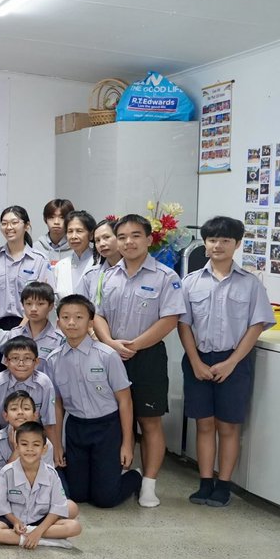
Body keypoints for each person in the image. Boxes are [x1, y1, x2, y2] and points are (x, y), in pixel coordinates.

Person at [178, 215, 275, 507]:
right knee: (204, 424)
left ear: (237, 244)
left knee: (228, 426)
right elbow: (183, 325)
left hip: (234, 361)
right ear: (205, 243)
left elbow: (256, 326)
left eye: (225, 240)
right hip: (198, 359)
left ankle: (224, 484)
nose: (217, 245)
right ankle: (205, 481)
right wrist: (195, 361)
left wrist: (231, 362)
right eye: (212, 240)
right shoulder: (190, 282)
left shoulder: (250, 284)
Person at [92, 214, 187, 507]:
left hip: (147, 357)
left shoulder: (165, 276)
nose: (128, 242)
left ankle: (149, 484)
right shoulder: (107, 275)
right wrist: (110, 343)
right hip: (111, 355)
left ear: (148, 239)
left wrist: (135, 345)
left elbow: (170, 318)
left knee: (149, 421)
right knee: (114, 419)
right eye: (122, 237)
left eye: (135, 236)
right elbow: (98, 315)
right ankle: (119, 472)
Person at [46, 294, 142, 508]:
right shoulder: (54, 359)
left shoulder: (107, 355)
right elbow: (57, 404)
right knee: (77, 495)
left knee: (105, 500)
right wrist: (57, 445)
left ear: (90, 322)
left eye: (79, 317)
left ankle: (135, 477)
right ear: (58, 322)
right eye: (66, 317)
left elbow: (125, 401)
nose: (72, 322)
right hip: (76, 428)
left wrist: (128, 443)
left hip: (107, 427)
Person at [0, 421, 81, 549]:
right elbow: (2, 506)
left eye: (36, 444)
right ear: (17, 447)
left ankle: (26, 538)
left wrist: (39, 531)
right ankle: (45, 541)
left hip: (40, 519)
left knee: (75, 527)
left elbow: (57, 507)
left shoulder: (51, 474)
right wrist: (14, 521)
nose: (30, 449)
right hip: (13, 521)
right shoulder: (6, 472)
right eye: (24, 444)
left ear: (44, 449)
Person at [0, 206, 53, 329]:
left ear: (26, 226)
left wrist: (20, 330)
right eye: (4, 224)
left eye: (14, 223)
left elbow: (44, 298)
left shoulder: (40, 260)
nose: (9, 227)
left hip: (29, 326)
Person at [0, 337, 57, 447]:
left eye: (27, 358)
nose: (21, 363)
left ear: (36, 361)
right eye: (15, 358)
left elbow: (49, 422)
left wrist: (54, 451)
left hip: (35, 438)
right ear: (6, 361)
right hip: (3, 438)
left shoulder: (44, 383)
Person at [6, 282, 65, 368]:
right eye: (29, 304)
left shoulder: (59, 339)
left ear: (51, 306)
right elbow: (8, 368)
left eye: (40, 304)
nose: (33, 309)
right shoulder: (14, 334)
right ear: (23, 305)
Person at [53, 210, 98, 300]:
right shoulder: (61, 266)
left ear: (91, 235)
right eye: (70, 231)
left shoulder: (101, 262)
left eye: (79, 231)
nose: (74, 236)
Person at [76, 218, 120, 308]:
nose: (102, 244)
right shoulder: (90, 275)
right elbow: (81, 308)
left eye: (106, 237)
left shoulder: (133, 272)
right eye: (97, 240)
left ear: (120, 237)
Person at [38, 198, 75, 264]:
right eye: (52, 217)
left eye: (62, 217)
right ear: (45, 219)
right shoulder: (35, 248)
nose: (56, 222)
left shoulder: (76, 248)